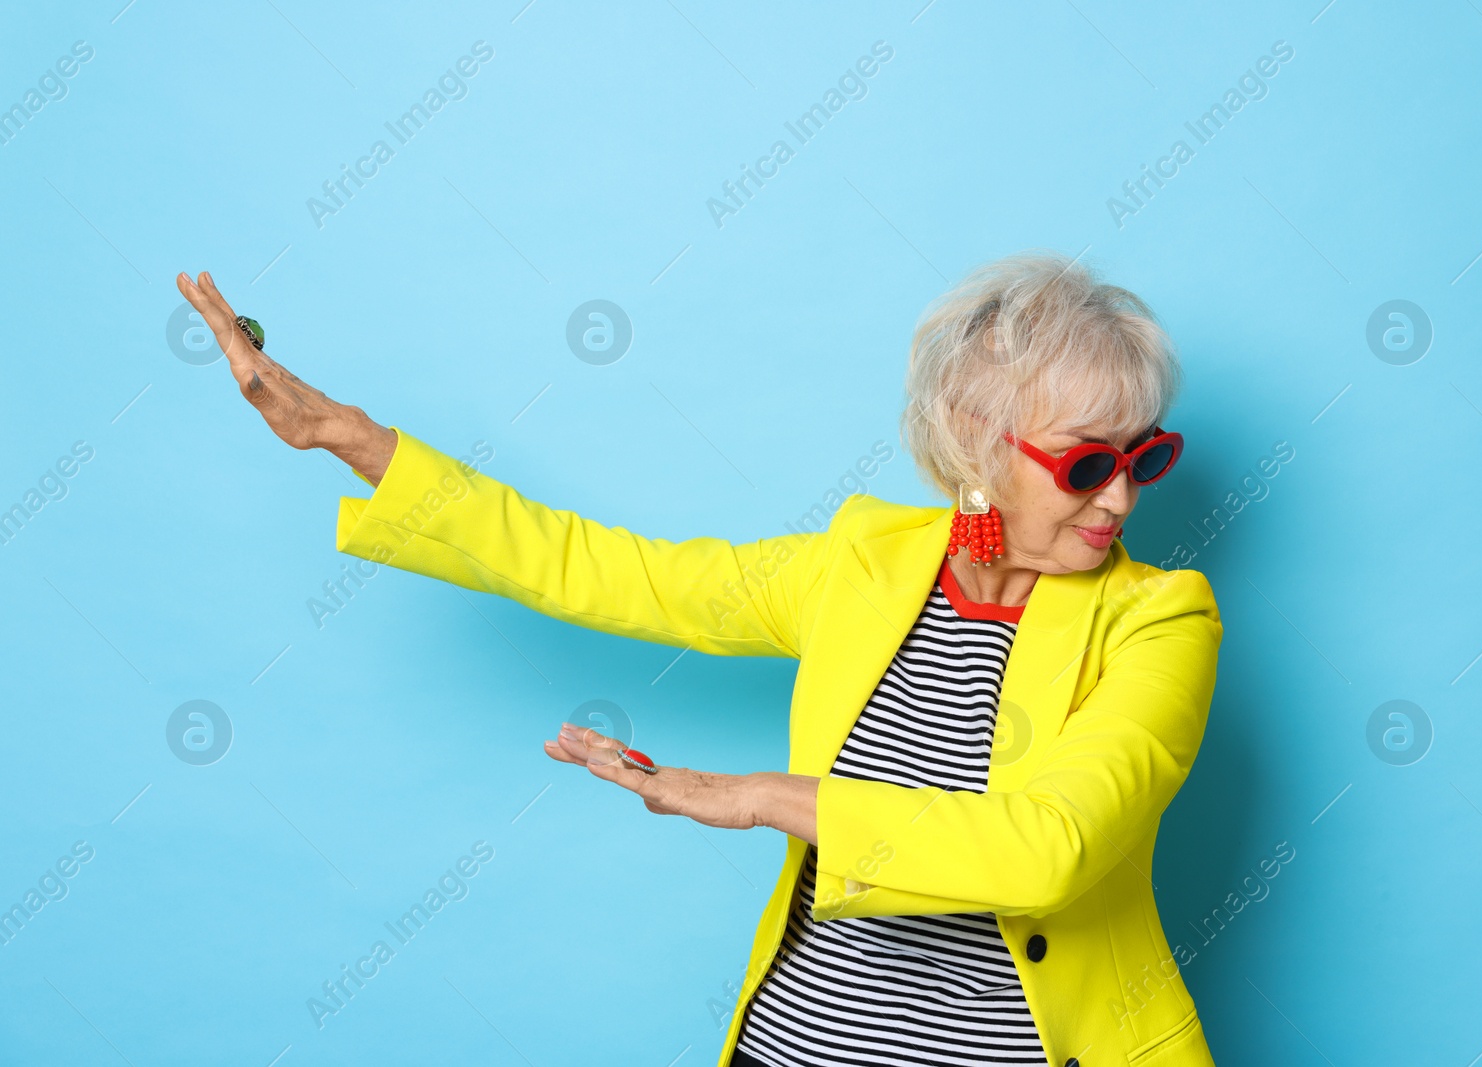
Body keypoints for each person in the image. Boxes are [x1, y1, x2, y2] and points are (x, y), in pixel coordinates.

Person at [175, 249, 1222, 1067]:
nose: (1121, 497)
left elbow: (1046, 850)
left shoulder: (1159, 620)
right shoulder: (865, 563)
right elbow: (609, 569)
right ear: (977, 440)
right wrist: (357, 442)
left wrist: (765, 794)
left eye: (1145, 455)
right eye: (1087, 461)